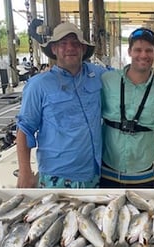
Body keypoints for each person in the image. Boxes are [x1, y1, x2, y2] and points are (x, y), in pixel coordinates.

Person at [16, 22, 106, 188]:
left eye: (75, 43)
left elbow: (127, 77)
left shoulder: (99, 74)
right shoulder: (38, 85)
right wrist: (25, 172)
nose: (69, 48)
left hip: (94, 174)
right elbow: (24, 129)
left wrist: (153, 74)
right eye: (63, 44)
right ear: (54, 49)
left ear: (83, 49)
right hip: (56, 177)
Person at [100, 27, 154, 188]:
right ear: (129, 51)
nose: (143, 55)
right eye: (138, 50)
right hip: (108, 170)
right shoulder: (107, 79)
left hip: (143, 173)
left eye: (149, 50)